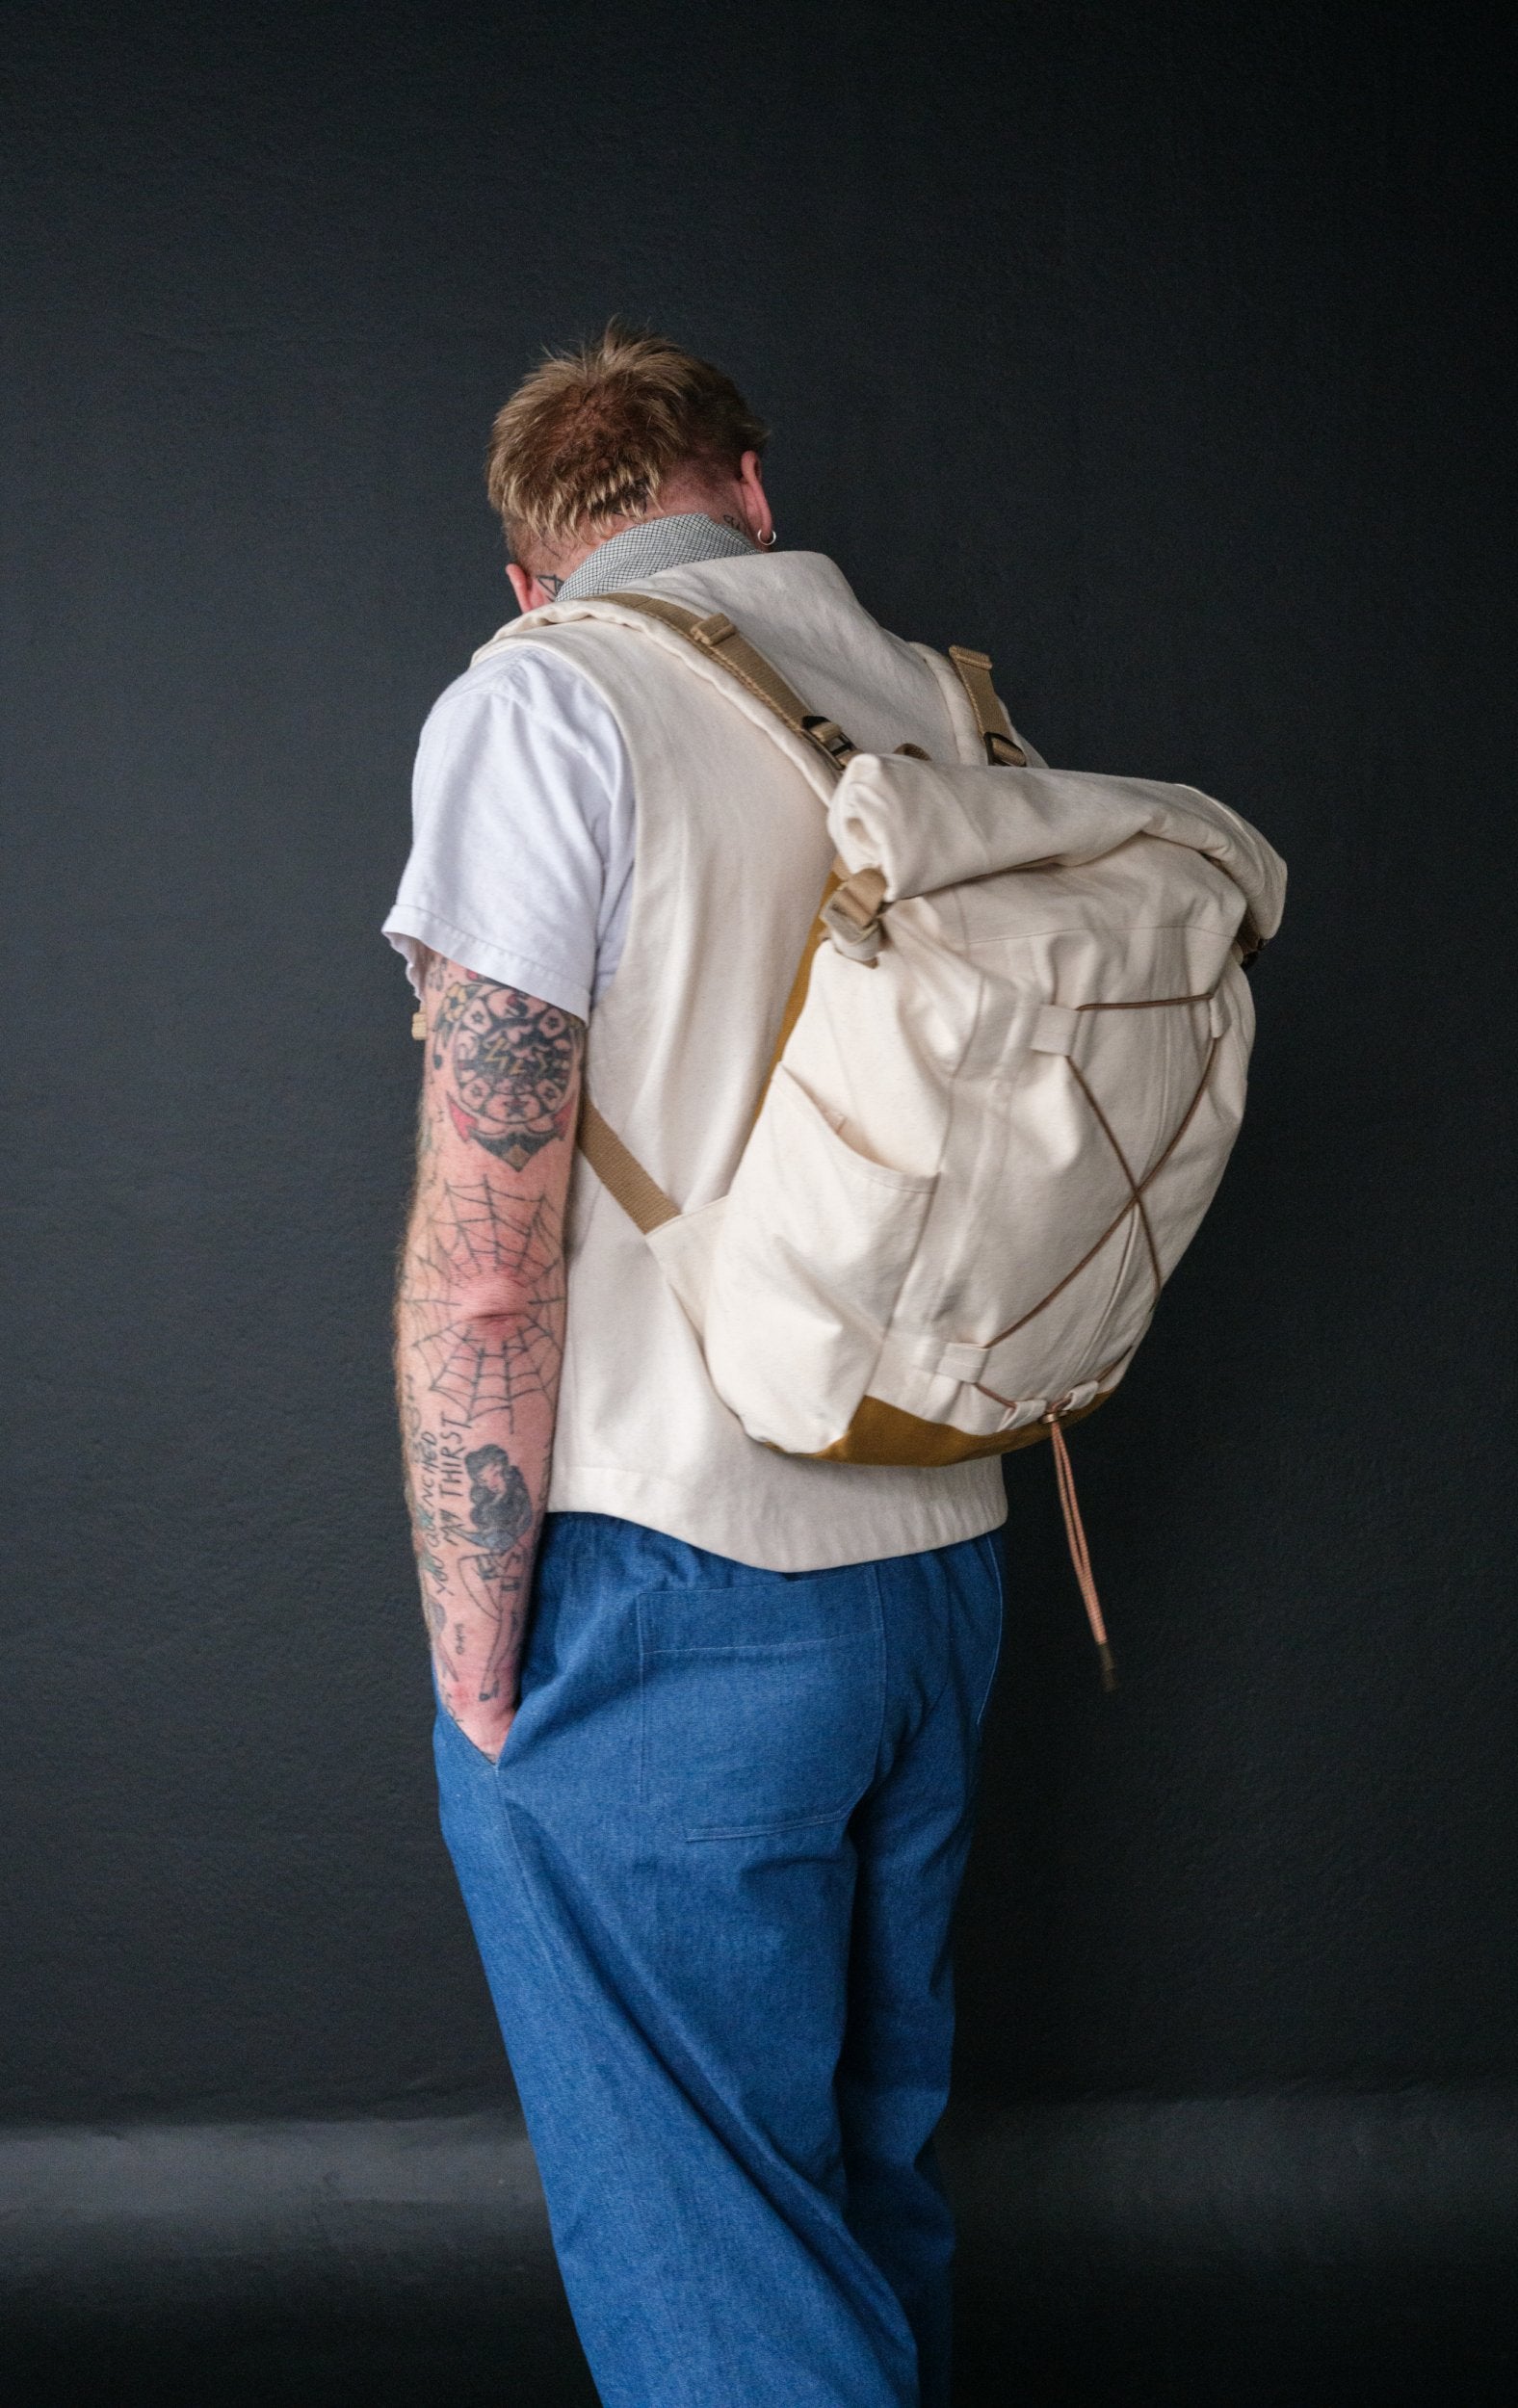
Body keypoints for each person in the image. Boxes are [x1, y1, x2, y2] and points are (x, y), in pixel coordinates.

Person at [386, 324, 1011, 2408]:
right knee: (853, 2193)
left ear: (527, 571)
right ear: (747, 488)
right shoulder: (939, 703)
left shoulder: (546, 697)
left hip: (671, 1574)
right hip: (941, 1542)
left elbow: (489, 1257)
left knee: (728, 2264)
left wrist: (482, 1647)